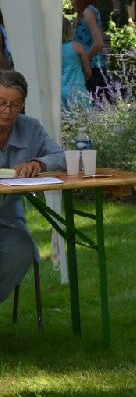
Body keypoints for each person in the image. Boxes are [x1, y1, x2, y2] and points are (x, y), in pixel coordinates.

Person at [0, 70, 66, 305]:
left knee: (22, 248)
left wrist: (39, 163)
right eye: (1, 103)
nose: (7, 111)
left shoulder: (30, 128)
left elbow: (60, 157)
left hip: (7, 221)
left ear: (23, 105)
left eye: (14, 105)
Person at [69, 0, 108, 102]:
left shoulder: (88, 12)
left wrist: (84, 59)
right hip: (87, 69)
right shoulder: (81, 13)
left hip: (93, 70)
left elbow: (99, 43)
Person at [60, 17, 92, 112]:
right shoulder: (77, 47)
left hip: (59, 92)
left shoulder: (52, 51)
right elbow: (88, 71)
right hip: (77, 90)